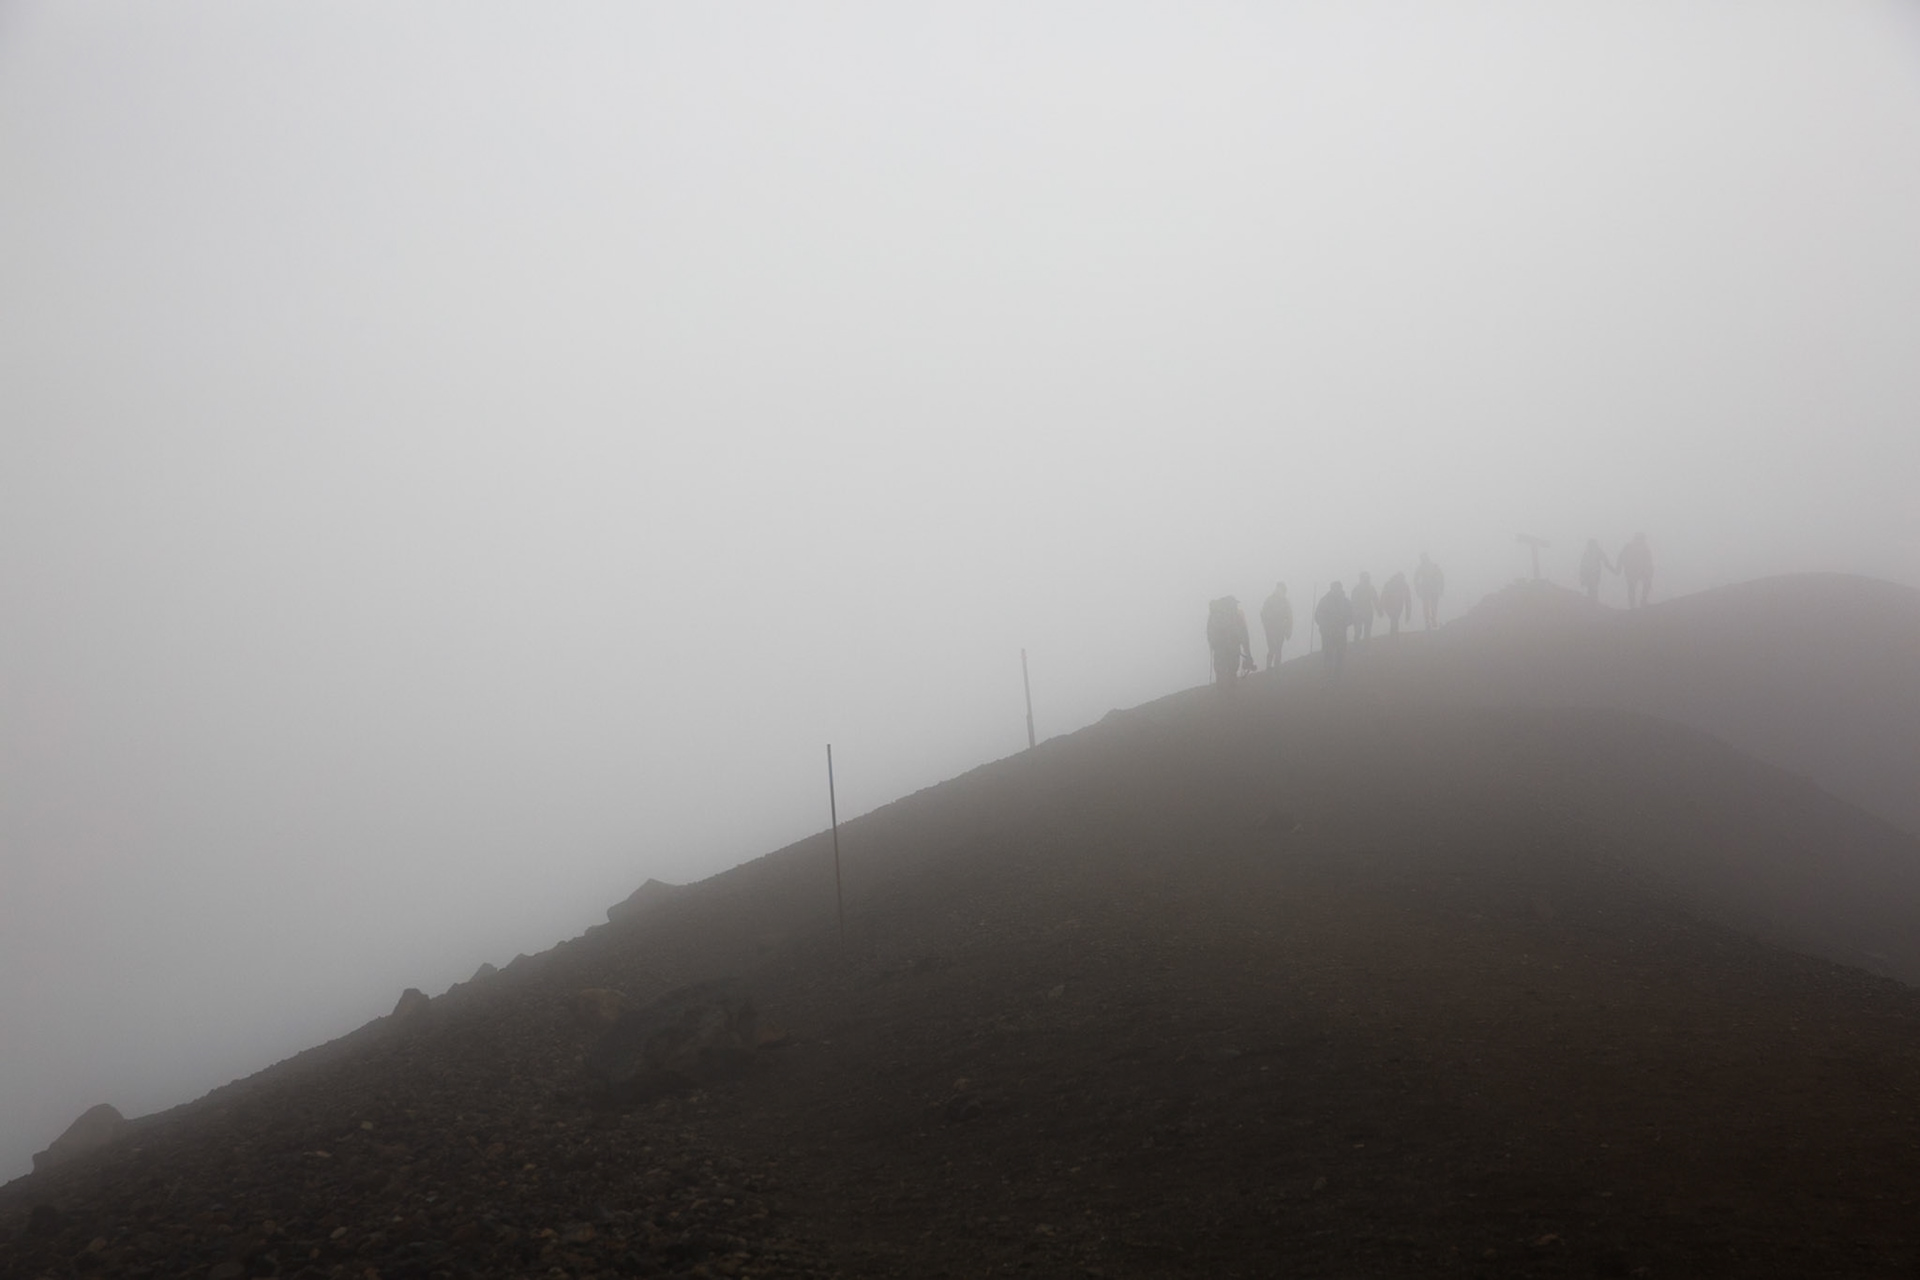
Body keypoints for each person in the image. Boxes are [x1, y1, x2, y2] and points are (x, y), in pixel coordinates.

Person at [1207, 596, 1253, 691]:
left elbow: (1209, 632)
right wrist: (1248, 652)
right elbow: (1244, 635)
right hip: (1233, 647)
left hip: (1219, 649)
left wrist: (1213, 645)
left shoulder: (1215, 616)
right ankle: (1232, 694)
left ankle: (1221, 693)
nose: (1236, 606)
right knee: (1232, 670)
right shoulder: (1236, 617)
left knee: (1220, 671)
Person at [1314, 582, 1353, 675]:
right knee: (1328, 653)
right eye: (1334, 588)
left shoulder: (1345, 602)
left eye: (1338, 588)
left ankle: (1336, 674)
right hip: (1328, 632)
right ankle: (1329, 674)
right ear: (1331, 589)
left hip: (1339, 632)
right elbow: (1318, 616)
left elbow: (1351, 615)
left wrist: (1345, 623)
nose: (1336, 590)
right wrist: (1324, 626)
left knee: (1340, 653)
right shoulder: (1325, 601)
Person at [1259, 583, 1293, 669]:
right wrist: (1288, 630)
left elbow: (1289, 617)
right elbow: (1289, 617)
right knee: (1275, 649)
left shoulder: (1274, 600)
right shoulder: (1281, 601)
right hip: (1275, 629)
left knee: (1275, 649)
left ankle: (1272, 668)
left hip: (1276, 629)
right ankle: (1273, 668)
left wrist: (1288, 630)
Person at [1619, 533, 1653, 608]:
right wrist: (1619, 568)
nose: (1643, 541)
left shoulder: (1645, 549)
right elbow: (1621, 557)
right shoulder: (1628, 547)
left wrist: (1650, 570)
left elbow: (1649, 561)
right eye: (1641, 539)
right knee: (1632, 588)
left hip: (1640, 571)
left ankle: (1642, 601)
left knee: (1646, 584)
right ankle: (1633, 605)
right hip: (1631, 571)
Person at [1413, 553, 1445, 629]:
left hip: (1427, 589)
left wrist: (1417, 589)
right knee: (1431, 606)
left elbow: (1415, 579)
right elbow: (1441, 577)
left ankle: (1429, 621)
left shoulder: (1422, 567)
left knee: (1428, 606)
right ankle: (1432, 621)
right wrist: (1441, 588)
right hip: (1431, 589)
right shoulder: (1433, 566)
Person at [1579, 538, 1616, 603]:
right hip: (1595, 572)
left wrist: (1582, 576)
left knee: (1590, 587)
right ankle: (1594, 602)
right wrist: (1613, 570)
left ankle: (1591, 602)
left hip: (1589, 573)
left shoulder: (1587, 552)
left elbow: (1582, 565)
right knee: (1593, 587)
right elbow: (1606, 562)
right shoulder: (1597, 551)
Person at [1378, 570, 1412, 635]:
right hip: (1390, 606)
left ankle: (1394, 633)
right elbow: (1383, 596)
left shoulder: (1402, 585)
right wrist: (1380, 608)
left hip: (1396, 606)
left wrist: (1408, 614)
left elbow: (1408, 600)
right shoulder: (1391, 584)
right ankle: (1394, 633)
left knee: (1394, 619)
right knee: (1394, 618)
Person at [1349, 572, 1378, 641]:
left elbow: (1375, 599)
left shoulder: (1369, 588)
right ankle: (1359, 646)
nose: (1367, 580)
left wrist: (1379, 609)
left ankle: (1363, 646)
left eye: (1367, 578)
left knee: (1365, 631)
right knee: (1359, 631)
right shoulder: (1357, 589)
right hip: (1360, 613)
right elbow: (1353, 603)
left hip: (1366, 612)